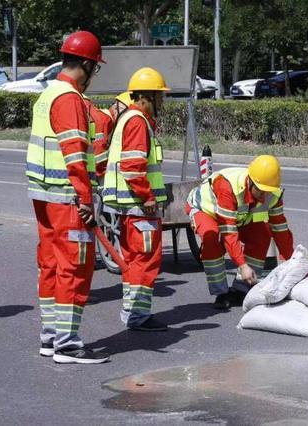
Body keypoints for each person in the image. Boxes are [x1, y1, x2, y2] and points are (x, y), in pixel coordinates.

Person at [25, 31, 109, 364]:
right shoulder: (70, 99)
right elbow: (75, 155)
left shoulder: (48, 94)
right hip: (68, 198)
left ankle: (50, 338)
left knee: (50, 264)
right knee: (74, 267)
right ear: (87, 65)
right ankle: (68, 343)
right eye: (94, 68)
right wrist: (86, 199)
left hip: (44, 195)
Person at [102, 67, 169, 331]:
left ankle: (132, 313)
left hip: (129, 207)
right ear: (145, 97)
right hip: (139, 207)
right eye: (159, 96)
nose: (162, 102)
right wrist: (148, 197)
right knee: (145, 261)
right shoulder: (138, 122)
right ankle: (138, 316)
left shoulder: (129, 119)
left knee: (134, 261)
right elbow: (132, 167)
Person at [185, 155, 294, 309]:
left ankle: (242, 289)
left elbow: (280, 229)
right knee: (212, 240)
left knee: (261, 236)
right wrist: (242, 265)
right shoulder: (227, 186)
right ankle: (221, 293)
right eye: (261, 191)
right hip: (205, 210)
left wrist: (291, 262)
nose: (264, 197)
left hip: (238, 216)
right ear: (250, 181)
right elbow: (229, 231)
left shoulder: (273, 194)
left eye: (268, 192)